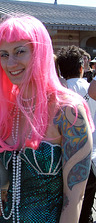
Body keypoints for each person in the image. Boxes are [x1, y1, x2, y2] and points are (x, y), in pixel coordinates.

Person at [0, 15, 93, 223]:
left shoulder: (69, 111)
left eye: (20, 51)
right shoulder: (8, 108)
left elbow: (75, 199)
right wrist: (3, 190)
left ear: (39, 52)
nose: (11, 62)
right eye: (4, 54)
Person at [56, 45, 96, 223]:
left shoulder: (57, 93)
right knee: (85, 210)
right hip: (91, 158)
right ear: (81, 68)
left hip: (59, 161)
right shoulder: (90, 88)